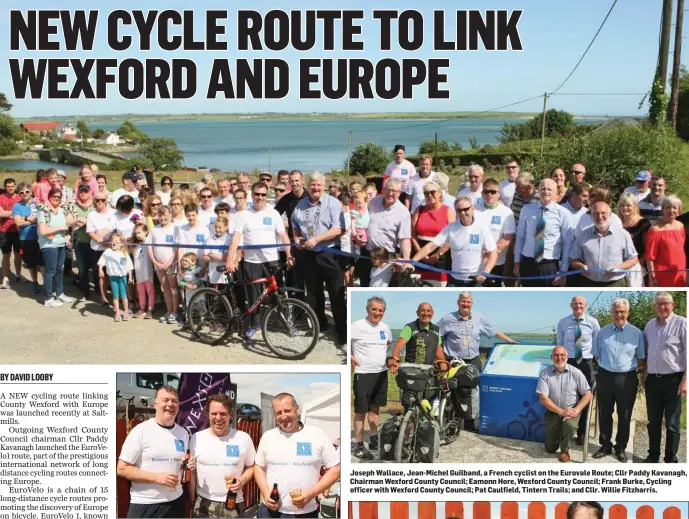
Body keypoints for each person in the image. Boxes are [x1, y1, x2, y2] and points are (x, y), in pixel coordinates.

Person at [437, 292, 517, 431]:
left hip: (473, 360)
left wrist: (508, 340)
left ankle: (470, 423)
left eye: (468, 302)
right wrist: (441, 358)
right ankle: (452, 422)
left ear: (472, 304)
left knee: (472, 392)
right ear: (458, 302)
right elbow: (436, 335)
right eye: (463, 301)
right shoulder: (447, 319)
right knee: (453, 390)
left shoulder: (479, 318)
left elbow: (493, 331)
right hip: (454, 361)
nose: (466, 304)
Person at [254, 393, 340, 518]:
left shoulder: (316, 435)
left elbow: (336, 469)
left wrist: (311, 493)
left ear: (296, 408)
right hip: (270, 512)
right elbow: (258, 467)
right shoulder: (268, 437)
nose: (283, 416)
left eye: (287, 411)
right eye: (279, 412)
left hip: (304, 513)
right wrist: (265, 492)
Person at [226, 182, 292, 341]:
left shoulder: (274, 213)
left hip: (271, 259)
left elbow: (282, 235)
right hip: (252, 261)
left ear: (267, 194)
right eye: (257, 194)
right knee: (254, 295)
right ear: (252, 195)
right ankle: (254, 325)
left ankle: (283, 321)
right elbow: (236, 239)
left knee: (278, 292)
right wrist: (230, 259)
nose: (260, 197)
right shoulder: (243, 215)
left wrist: (289, 253)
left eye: (263, 194)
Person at [117, 385, 194, 519]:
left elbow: (179, 466)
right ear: (155, 404)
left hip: (176, 503)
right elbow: (122, 469)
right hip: (146, 504)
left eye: (174, 401)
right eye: (166, 400)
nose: (170, 404)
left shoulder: (183, 433)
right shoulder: (141, 431)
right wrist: (157, 478)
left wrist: (188, 465)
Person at [291, 172, 347, 345]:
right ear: (308, 185)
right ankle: (319, 325)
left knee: (335, 292)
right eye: (313, 184)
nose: (315, 188)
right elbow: (295, 225)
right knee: (314, 293)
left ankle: (341, 331)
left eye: (319, 185)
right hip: (308, 254)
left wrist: (318, 238)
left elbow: (339, 229)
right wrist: (296, 240)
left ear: (324, 186)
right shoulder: (300, 204)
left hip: (329, 253)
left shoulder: (333, 203)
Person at [591, 298, 644, 463]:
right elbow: (596, 355)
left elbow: (641, 358)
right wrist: (608, 368)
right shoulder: (602, 332)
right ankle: (605, 445)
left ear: (627, 312)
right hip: (605, 376)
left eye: (622, 311)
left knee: (625, 415)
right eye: (616, 311)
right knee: (605, 413)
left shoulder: (637, 333)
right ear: (611, 313)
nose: (619, 315)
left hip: (627, 378)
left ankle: (620, 447)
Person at [189, 393, 255, 519]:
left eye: (223, 413)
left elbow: (252, 466)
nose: (218, 418)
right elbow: (192, 472)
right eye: (214, 413)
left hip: (233, 504)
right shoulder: (196, 438)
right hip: (203, 504)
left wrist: (241, 481)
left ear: (230, 415)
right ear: (208, 414)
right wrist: (192, 499)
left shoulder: (243, 438)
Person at [413, 196, 497, 287]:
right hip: (454, 279)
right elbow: (430, 246)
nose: (463, 213)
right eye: (459, 210)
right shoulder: (450, 228)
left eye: (466, 209)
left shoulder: (482, 228)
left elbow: (493, 252)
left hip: (476, 280)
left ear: (472, 209)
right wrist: (413, 261)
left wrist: (485, 272)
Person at [643, 291, 687, 463]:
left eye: (665, 303)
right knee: (653, 421)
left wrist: (685, 381)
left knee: (672, 423)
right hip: (653, 380)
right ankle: (653, 456)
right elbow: (646, 353)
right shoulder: (649, 326)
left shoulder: (682, 323)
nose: (662, 307)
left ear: (672, 304)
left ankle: (671, 460)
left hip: (673, 381)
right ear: (655, 307)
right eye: (659, 304)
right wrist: (645, 374)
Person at [350, 297, 391, 460]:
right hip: (363, 374)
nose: (377, 313)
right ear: (368, 309)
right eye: (374, 309)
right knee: (361, 411)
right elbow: (346, 345)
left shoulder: (385, 327)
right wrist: (350, 356)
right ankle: (359, 446)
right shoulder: (356, 326)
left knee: (375, 409)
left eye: (380, 310)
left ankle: (373, 439)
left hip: (381, 373)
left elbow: (387, 344)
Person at [535, 346, 592, 462]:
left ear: (567, 357)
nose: (559, 358)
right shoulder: (545, 373)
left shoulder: (576, 373)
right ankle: (558, 439)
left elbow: (588, 395)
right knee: (550, 448)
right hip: (553, 411)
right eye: (556, 355)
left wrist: (575, 411)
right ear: (551, 358)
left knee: (570, 425)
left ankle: (565, 451)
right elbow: (543, 398)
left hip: (571, 410)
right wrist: (561, 411)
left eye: (562, 355)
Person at [556, 296, 600, 445]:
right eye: (575, 303)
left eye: (581, 303)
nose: (578, 306)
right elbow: (559, 345)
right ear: (571, 305)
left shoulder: (593, 323)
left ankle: (582, 433)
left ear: (585, 305)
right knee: (566, 395)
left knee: (586, 397)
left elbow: (597, 344)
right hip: (569, 362)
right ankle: (566, 431)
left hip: (586, 362)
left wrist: (597, 361)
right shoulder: (563, 322)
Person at [514, 178, 572, 287]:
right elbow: (520, 237)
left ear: (556, 192)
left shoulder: (563, 213)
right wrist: (516, 262)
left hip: (549, 266)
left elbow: (567, 243)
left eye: (549, 189)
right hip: (527, 263)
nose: (546, 191)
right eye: (543, 188)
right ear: (538, 190)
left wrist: (564, 271)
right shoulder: (526, 209)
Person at [355, 178, 411, 287]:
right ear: (383, 189)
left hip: (385, 259)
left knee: (378, 290)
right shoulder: (373, 202)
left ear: (399, 193)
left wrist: (406, 260)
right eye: (388, 190)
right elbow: (362, 221)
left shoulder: (403, 213)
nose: (390, 193)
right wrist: (357, 236)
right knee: (363, 288)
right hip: (367, 254)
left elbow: (405, 239)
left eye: (394, 191)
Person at [569, 202, 638, 287]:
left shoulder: (623, 234)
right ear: (591, 215)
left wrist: (619, 268)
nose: (600, 217)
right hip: (589, 283)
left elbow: (633, 259)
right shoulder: (583, 235)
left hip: (615, 283)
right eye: (596, 214)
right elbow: (572, 259)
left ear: (610, 214)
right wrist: (581, 266)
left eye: (603, 213)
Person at [388, 302, 442, 411]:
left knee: (428, 405)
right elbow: (398, 345)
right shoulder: (410, 328)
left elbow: (439, 351)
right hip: (412, 373)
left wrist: (443, 363)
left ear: (432, 313)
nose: (425, 313)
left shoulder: (436, 329)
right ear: (417, 313)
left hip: (430, 374)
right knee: (410, 405)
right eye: (422, 310)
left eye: (428, 311)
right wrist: (394, 360)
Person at [410, 181, 455, 286]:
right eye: (426, 193)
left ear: (440, 193)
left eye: (432, 192)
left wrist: (437, 254)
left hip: (441, 255)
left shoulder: (448, 211)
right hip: (419, 253)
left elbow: (451, 237)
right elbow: (412, 234)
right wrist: (421, 254)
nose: (429, 195)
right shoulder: (419, 210)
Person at [37, 187, 75, 307]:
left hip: (60, 243)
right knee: (50, 271)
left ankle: (60, 293)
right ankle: (48, 298)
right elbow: (43, 231)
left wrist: (67, 235)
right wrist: (60, 228)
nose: (57, 199)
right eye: (54, 197)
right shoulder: (43, 211)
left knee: (60, 269)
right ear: (49, 197)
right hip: (48, 245)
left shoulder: (61, 210)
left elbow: (67, 225)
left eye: (59, 197)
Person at [477, 178, 516, 285]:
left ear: (498, 194)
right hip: (475, 261)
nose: (489, 194)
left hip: (497, 262)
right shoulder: (474, 210)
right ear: (482, 194)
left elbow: (508, 238)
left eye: (493, 192)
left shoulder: (506, 212)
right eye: (486, 191)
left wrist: (490, 255)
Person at [147, 206, 181, 324]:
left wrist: (169, 262)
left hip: (171, 264)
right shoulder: (154, 230)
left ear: (170, 215)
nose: (163, 217)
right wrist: (155, 262)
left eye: (165, 215)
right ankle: (169, 310)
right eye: (160, 215)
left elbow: (177, 249)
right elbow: (149, 247)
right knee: (165, 288)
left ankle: (175, 311)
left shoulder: (176, 228)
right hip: (158, 265)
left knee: (173, 288)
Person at [645, 195, 687, 287]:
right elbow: (649, 256)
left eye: (674, 208)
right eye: (668, 207)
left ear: (679, 210)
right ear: (662, 209)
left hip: (680, 271)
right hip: (661, 274)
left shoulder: (681, 226)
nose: (671, 210)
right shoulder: (655, 229)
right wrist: (652, 276)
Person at [87, 190, 117, 305]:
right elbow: (90, 232)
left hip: (113, 248)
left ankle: (116, 297)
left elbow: (116, 229)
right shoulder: (91, 214)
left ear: (106, 201)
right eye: (97, 200)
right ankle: (103, 297)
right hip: (97, 249)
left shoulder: (113, 213)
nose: (100, 202)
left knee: (113, 274)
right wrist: (101, 241)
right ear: (94, 201)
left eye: (102, 200)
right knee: (101, 275)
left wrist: (111, 242)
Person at [12, 182, 42, 293]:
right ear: (19, 193)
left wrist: (24, 218)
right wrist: (31, 219)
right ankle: (35, 282)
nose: (25, 194)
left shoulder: (38, 203)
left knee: (43, 263)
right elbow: (18, 223)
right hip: (26, 239)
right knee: (31, 263)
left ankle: (48, 284)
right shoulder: (17, 206)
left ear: (31, 191)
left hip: (41, 237)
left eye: (27, 191)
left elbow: (42, 219)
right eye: (22, 192)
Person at [98, 231, 134, 322]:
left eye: (117, 241)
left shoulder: (124, 253)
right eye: (113, 240)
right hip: (113, 277)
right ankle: (117, 312)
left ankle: (126, 312)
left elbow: (129, 266)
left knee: (124, 296)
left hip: (122, 277)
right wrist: (100, 269)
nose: (114, 242)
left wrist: (130, 276)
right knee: (115, 296)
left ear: (121, 244)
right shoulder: (108, 252)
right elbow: (102, 261)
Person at [617, 192, 651, 287]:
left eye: (628, 205)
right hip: (618, 268)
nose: (625, 208)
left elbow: (648, 249)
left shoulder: (643, 224)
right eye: (622, 205)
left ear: (635, 206)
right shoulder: (616, 223)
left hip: (637, 268)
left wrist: (638, 265)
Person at [70, 184, 95, 298]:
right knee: (83, 268)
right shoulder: (73, 207)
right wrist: (77, 220)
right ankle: (85, 291)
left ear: (90, 193)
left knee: (96, 268)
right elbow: (69, 223)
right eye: (81, 191)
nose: (83, 193)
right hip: (80, 242)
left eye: (86, 191)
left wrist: (84, 222)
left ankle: (99, 292)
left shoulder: (95, 206)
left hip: (95, 242)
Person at [0, 178, 22, 288]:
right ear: (5, 187)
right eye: (8, 186)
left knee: (18, 254)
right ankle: (5, 278)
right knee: (6, 255)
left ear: (15, 186)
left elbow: (23, 213)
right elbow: (1, 214)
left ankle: (18, 275)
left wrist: (7, 213)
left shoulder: (20, 197)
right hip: (4, 230)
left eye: (12, 186)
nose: (10, 188)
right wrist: (15, 212)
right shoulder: (1, 198)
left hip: (18, 230)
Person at [131, 223, 155, 319]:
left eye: (139, 232)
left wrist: (145, 239)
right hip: (138, 272)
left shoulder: (148, 242)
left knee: (150, 290)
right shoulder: (134, 245)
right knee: (140, 290)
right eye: (136, 233)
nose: (137, 235)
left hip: (147, 271)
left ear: (145, 232)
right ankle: (142, 307)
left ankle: (151, 308)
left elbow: (152, 247)